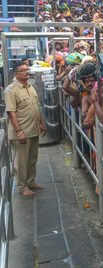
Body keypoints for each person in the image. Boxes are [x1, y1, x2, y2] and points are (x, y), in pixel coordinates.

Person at [4, 61, 46, 196]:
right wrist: (19, 131)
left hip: (33, 129)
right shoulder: (11, 90)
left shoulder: (30, 87)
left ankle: (31, 181)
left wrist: (42, 123)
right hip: (22, 132)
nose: (27, 72)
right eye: (23, 70)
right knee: (21, 161)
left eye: (27, 70)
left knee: (32, 158)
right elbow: (11, 112)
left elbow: (36, 107)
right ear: (16, 73)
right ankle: (22, 187)